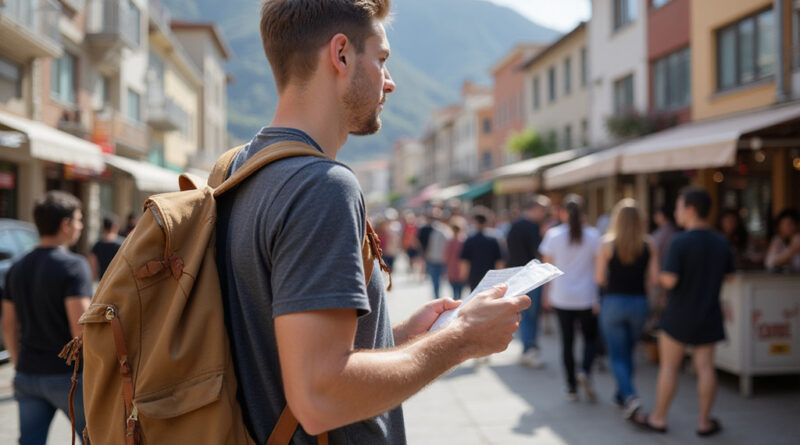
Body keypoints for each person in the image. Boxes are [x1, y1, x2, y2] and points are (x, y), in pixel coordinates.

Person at [214, 2, 531, 444]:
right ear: (341, 54)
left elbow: (279, 353)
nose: (391, 81)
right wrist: (461, 338)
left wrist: (398, 336)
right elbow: (318, 396)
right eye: (381, 60)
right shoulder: (321, 186)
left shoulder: (240, 171)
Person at [632, 187, 734, 437]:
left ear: (690, 209)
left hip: (679, 314)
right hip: (709, 312)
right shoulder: (721, 241)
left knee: (669, 367)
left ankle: (658, 418)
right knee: (706, 367)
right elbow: (730, 277)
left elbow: (669, 280)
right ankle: (703, 422)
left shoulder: (680, 242)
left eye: (678, 207)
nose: (676, 212)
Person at [1, 191, 91, 444]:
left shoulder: (17, 267)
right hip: (67, 378)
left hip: (28, 373)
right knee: (95, 437)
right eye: (78, 220)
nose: (80, 226)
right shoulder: (74, 266)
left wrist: (20, 366)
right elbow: (81, 330)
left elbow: (8, 325)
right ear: (65, 225)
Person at [595, 199, 660, 419]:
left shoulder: (606, 244)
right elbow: (654, 279)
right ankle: (621, 396)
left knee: (617, 356)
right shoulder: (649, 244)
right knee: (628, 353)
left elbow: (599, 278)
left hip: (613, 303)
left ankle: (630, 396)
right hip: (639, 303)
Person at [540, 194, 600, 402]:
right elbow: (599, 270)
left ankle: (571, 387)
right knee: (590, 339)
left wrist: (546, 295)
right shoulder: (593, 236)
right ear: (583, 213)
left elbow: (547, 270)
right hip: (587, 296)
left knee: (567, 342)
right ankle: (585, 370)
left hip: (562, 296)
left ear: (563, 212)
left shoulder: (553, 235)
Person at [507, 196, 550, 369]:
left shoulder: (514, 225)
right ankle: (529, 349)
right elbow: (539, 252)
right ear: (535, 209)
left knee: (524, 315)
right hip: (531, 275)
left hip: (517, 275)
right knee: (530, 315)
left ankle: (528, 348)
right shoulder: (532, 227)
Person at [460, 210, 504, 292]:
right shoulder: (493, 240)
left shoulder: (470, 240)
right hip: (490, 275)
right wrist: (499, 277)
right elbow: (499, 261)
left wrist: (463, 275)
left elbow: (465, 261)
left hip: (474, 275)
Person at [89, 215, 124, 281]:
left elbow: (93, 267)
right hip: (118, 281)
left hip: (103, 282)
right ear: (115, 227)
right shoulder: (122, 243)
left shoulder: (96, 245)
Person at [424, 213, 451, 299]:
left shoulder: (436, 232)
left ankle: (437, 297)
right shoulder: (446, 232)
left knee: (435, 281)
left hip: (435, 259)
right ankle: (437, 297)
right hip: (440, 259)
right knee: (439, 281)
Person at [764, 208, 800, 273]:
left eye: (789, 224)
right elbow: (769, 263)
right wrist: (792, 250)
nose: (785, 228)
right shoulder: (778, 240)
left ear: (797, 225)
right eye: (782, 224)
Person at [444, 216, 467, 300]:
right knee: (460, 292)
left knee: (455, 292)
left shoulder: (450, 242)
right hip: (462, 270)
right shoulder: (464, 241)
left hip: (452, 269)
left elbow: (445, 257)